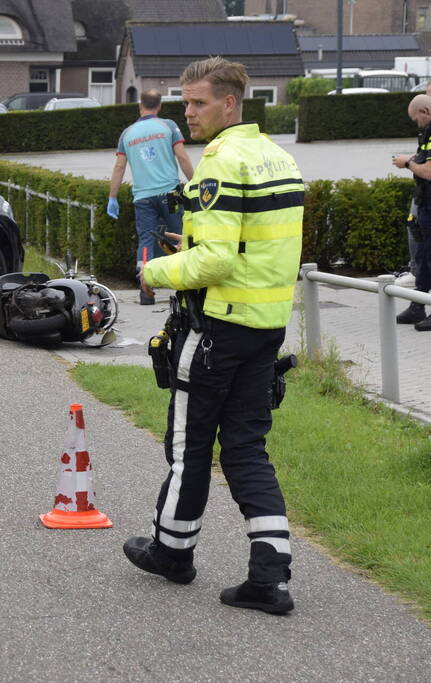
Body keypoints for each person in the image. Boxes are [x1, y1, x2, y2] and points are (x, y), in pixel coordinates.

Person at [123, 57, 304, 615]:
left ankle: (172, 553)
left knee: (188, 445)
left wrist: (153, 271)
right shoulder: (278, 156)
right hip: (264, 328)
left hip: (216, 329)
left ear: (230, 103)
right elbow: (252, 247)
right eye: (184, 100)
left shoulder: (220, 164)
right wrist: (196, 246)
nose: (188, 112)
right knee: (247, 447)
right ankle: (269, 577)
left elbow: (218, 262)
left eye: (198, 102)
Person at [107, 89, 194, 305]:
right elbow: (182, 157)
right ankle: (185, 290)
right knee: (179, 237)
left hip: (143, 198)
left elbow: (119, 167)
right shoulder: (169, 126)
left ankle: (145, 292)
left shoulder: (127, 133)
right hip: (170, 194)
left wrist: (113, 197)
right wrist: (195, 183)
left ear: (140, 105)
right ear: (160, 106)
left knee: (146, 240)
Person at [391, 94, 431, 329]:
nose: (417, 124)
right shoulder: (427, 134)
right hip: (427, 204)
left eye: (417, 119)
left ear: (425, 111)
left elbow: (429, 171)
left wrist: (407, 163)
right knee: (424, 258)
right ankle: (418, 305)